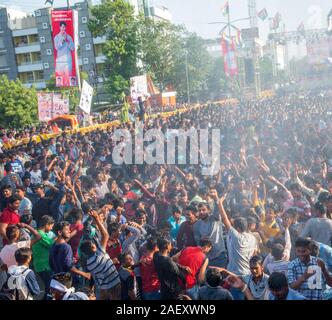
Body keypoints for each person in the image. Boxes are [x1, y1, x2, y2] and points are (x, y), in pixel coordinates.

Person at [79, 210, 121, 300]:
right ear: (93, 248)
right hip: (114, 283)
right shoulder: (100, 253)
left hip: (103, 288)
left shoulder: (89, 263)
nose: (95, 243)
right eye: (93, 244)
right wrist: (97, 218)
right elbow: (105, 235)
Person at [193, 190, 227, 268]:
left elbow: (218, 210)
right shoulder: (196, 225)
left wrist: (216, 198)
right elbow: (197, 241)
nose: (201, 212)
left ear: (209, 210)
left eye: (204, 210)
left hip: (219, 256)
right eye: (199, 210)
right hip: (206, 258)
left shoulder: (214, 219)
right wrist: (201, 239)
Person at [31, 215, 55, 298]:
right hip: (44, 266)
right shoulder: (41, 234)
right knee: (49, 289)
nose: (51, 229)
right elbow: (51, 244)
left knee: (47, 288)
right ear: (47, 224)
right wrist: (59, 237)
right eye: (51, 226)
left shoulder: (38, 233)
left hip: (39, 265)